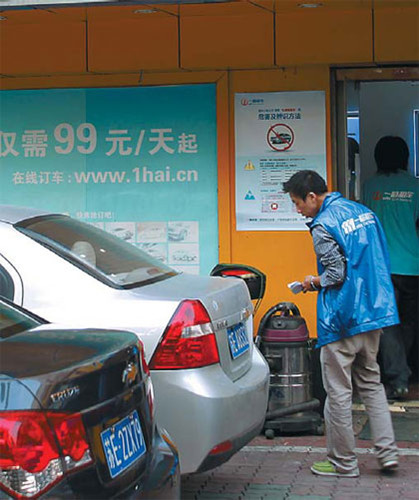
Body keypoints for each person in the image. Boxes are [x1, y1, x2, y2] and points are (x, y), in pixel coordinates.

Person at [283, 170, 399, 478]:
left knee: (338, 392)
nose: (298, 210)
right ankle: (388, 454)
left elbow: (335, 274)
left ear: (312, 197)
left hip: (343, 319)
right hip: (373, 313)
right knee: (372, 385)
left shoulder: (323, 225)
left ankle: (343, 463)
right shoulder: (363, 212)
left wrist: (311, 282)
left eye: (297, 203)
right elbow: (379, 260)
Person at [362, 136, 419, 398]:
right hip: (413, 266)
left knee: (389, 324)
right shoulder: (415, 187)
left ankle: (398, 375)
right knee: (409, 322)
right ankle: (402, 373)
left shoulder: (369, 187)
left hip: (381, 268)